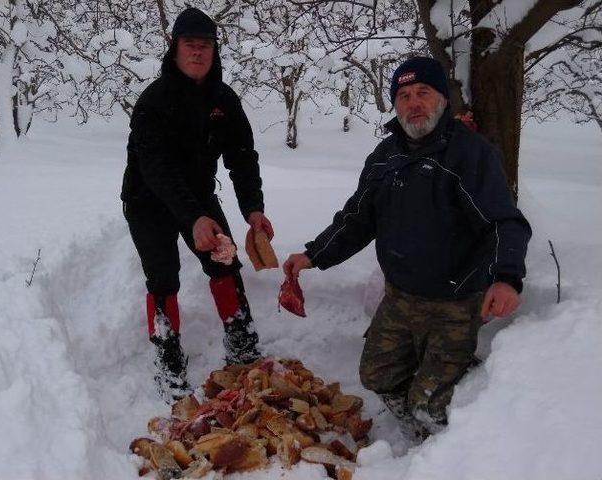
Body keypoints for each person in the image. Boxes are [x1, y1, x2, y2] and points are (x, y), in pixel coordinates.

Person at [283, 56, 531, 441]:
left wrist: (507, 277)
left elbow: (503, 222)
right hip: (401, 297)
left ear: (442, 100)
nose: (413, 103)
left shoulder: (469, 155)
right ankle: (417, 431)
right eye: (404, 95)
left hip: (455, 301)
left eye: (423, 93)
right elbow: (357, 217)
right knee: (376, 374)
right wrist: (314, 254)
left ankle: (456, 433)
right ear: (395, 104)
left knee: (429, 400)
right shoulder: (385, 157)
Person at [121, 7, 273, 401]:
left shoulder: (223, 100)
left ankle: (241, 340)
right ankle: (167, 355)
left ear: (214, 51)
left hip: (200, 196)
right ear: (174, 49)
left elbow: (242, 156)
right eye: (190, 44)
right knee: (163, 277)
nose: (198, 52)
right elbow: (156, 169)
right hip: (148, 199)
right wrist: (193, 218)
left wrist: (253, 208)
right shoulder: (153, 101)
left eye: (205, 45)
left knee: (224, 261)